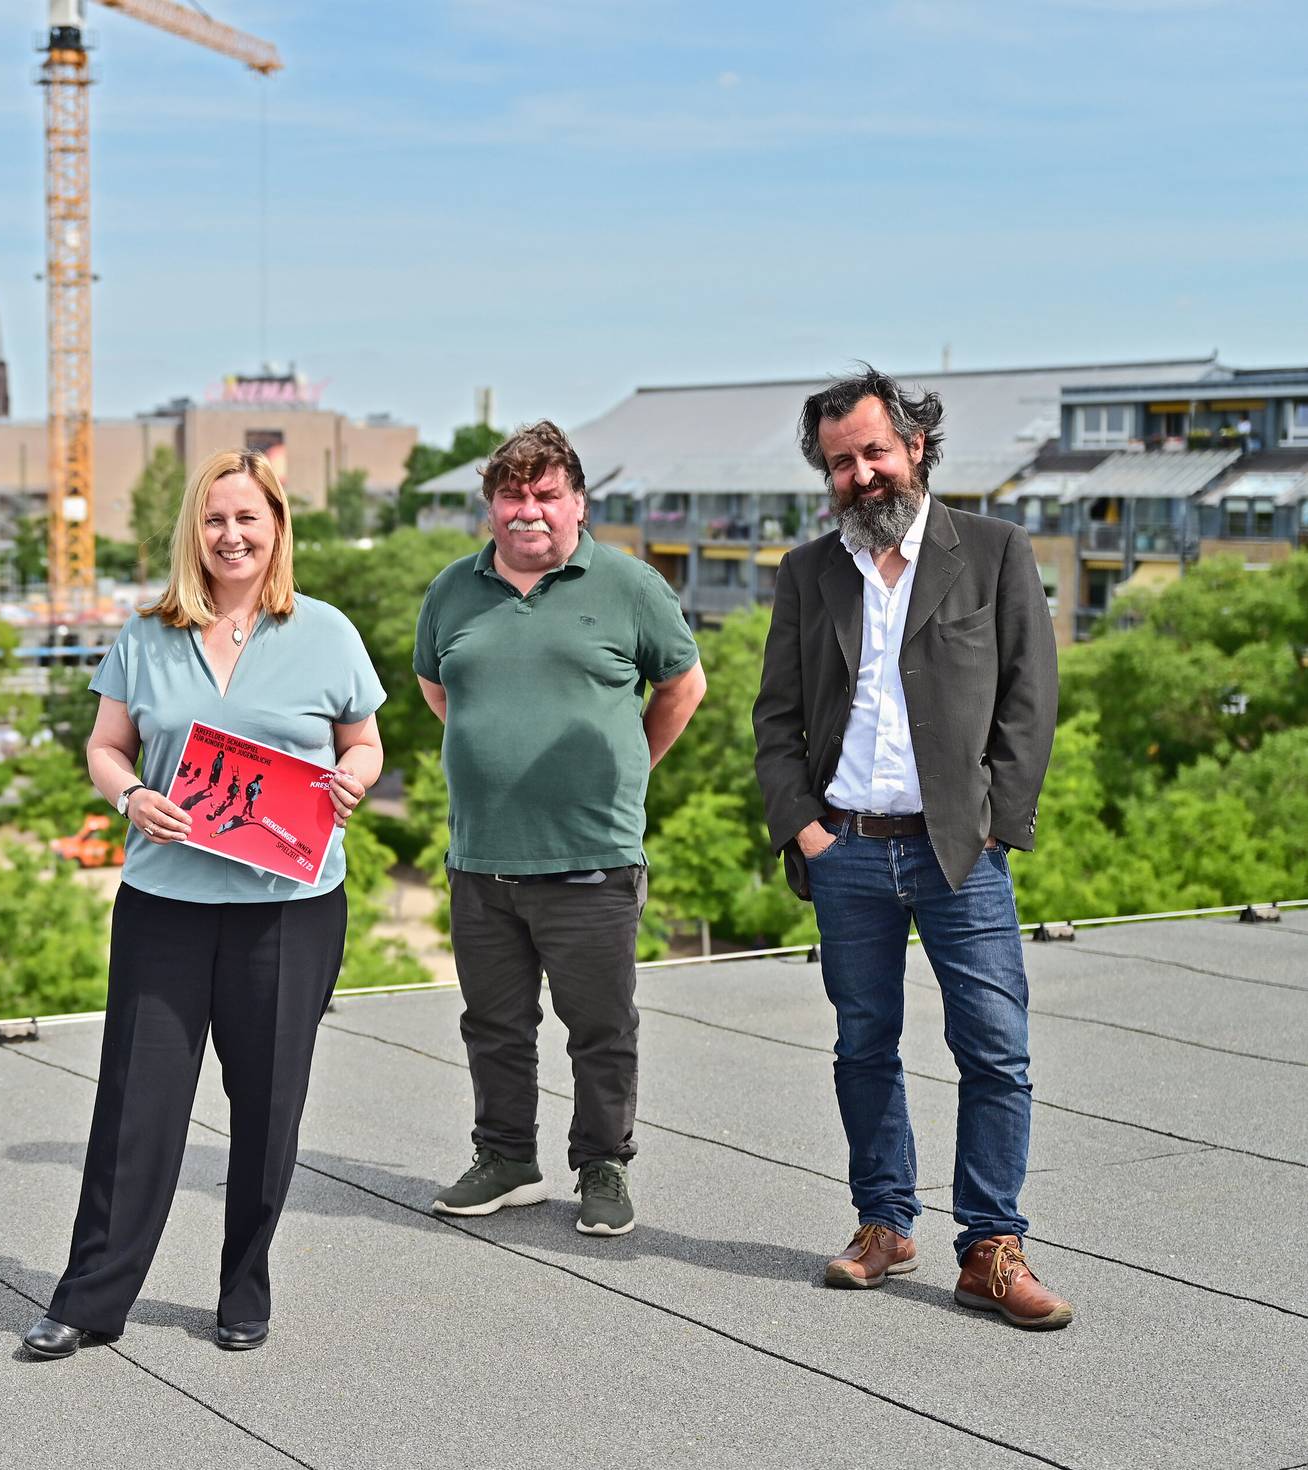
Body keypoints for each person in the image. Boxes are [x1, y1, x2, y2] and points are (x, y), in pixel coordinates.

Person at [22, 450, 384, 1359]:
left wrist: (349, 781)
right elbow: (107, 748)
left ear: (276, 531)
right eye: (216, 519)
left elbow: (366, 744)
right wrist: (127, 797)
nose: (232, 535)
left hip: (289, 908)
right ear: (196, 530)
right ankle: (91, 1297)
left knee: (268, 1105)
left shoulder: (327, 632)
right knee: (135, 1105)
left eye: (248, 520)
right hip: (165, 905)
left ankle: (243, 1287)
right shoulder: (144, 636)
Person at [752, 367, 1070, 1329]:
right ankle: (885, 1224)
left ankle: (990, 1248)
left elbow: (1029, 700)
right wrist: (801, 824)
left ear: (916, 447)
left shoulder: (995, 551)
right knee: (863, 1047)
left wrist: (996, 827)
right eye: (841, 462)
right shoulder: (808, 572)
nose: (861, 475)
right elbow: (774, 717)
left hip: (958, 854)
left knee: (995, 1051)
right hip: (845, 848)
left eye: (874, 453)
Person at [413, 421, 705, 1236]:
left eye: (546, 495)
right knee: (493, 1025)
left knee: (601, 1027)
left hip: (592, 857)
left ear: (578, 501)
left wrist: (632, 766)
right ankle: (507, 1159)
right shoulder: (451, 591)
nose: (528, 510)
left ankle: (602, 1165)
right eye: (512, 495)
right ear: (492, 505)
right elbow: (441, 691)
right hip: (481, 858)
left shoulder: (629, 585)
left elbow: (683, 685)